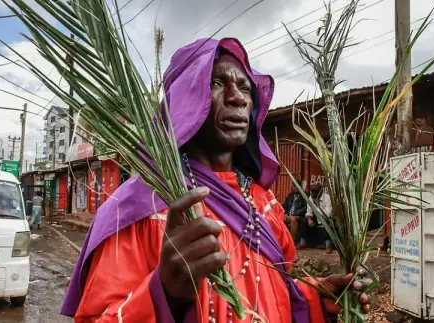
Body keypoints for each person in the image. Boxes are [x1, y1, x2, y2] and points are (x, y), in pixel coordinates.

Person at [61, 38, 370, 323]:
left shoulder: (263, 202)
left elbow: (276, 293)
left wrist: (320, 297)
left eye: (245, 88)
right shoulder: (138, 206)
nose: (237, 97)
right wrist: (165, 292)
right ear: (184, 98)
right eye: (217, 83)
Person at [297, 186, 333, 252]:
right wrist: (309, 219)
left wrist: (316, 208)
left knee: (329, 223)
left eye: (314, 193)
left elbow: (328, 214)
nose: (312, 195)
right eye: (311, 193)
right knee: (305, 220)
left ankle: (328, 245)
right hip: (316, 217)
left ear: (320, 193)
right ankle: (302, 242)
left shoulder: (327, 198)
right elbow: (309, 211)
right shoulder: (311, 197)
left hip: (325, 218)